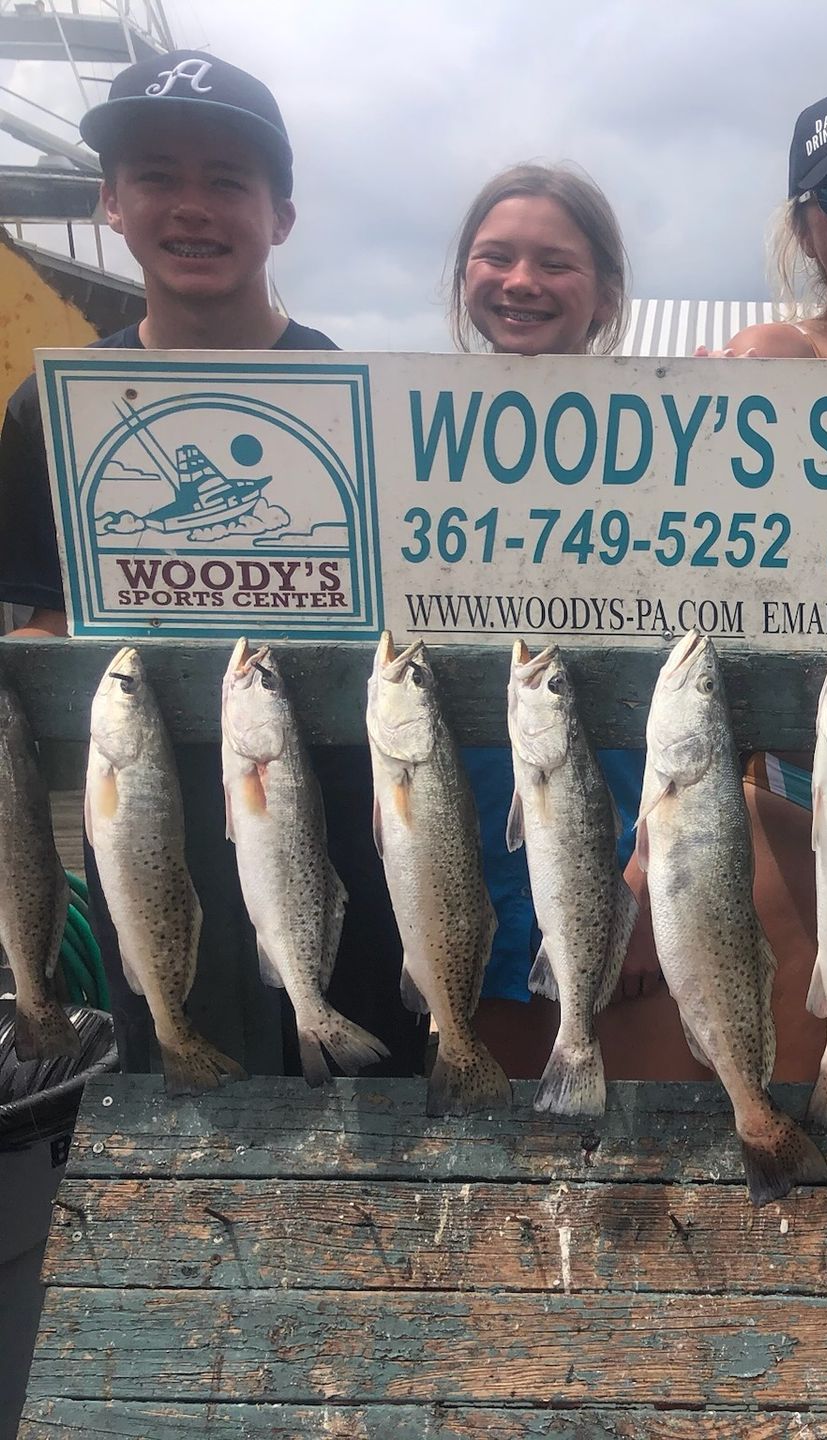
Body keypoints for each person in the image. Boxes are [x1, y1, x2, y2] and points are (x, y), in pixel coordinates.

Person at [0, 50, 422, 1078]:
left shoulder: (361, 400)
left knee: (366, 1103)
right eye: (157, 174)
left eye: (227, 181)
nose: (192, 207)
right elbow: (37, 623)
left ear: (280, 214)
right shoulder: (44, 413)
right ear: (110, 199)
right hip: (153, 830)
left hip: (340, 844)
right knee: (184, 1100)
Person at [606, 85, 827, 1085]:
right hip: (798, 805)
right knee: (782, 1104)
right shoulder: (769, 358)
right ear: (806, 229)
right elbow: (679, 575)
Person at [438, 164, 649, 1078]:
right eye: (496, 257)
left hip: (635, 869)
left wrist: (649, 881)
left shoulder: (675, 443)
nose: (521, 281)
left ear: (604, 295)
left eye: (554, 262)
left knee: (642, 1162)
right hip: (459, 865)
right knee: (498, 1168)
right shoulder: (416, 443)